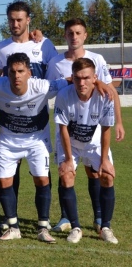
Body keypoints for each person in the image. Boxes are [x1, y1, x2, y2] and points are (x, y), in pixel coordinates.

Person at [46, 18, 125, 233]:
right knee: (66, 172)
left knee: (95, 172)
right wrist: (69, 82)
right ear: (65, 35)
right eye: (70, 33)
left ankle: (99, 217)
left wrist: (118, 121)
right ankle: (66, 218)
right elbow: (50, 91)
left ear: (85, 35)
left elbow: (110, 91)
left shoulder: (96, 59)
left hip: (92, 127)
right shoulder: (55, 63)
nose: (74, 37)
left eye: (78, 33)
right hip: (67, 124)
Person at [0, 52, 71, 243]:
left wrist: (99, 84)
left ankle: (42, 227)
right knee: (5, 181)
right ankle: (13, 227)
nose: (16, 76)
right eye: (12, 72)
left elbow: (70, 80)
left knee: (41, 180)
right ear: (6, 73)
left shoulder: (43, 86)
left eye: (21, 71)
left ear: (29, 73)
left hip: (36, 141)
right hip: (8, 141)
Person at [0, 0, 58, 227]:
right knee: (10, 170)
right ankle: (11, 217)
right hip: (11, 120)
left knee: (40, 172)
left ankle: (44, 220)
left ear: (29, 20)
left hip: (37, 117)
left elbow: (56, 72)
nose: (15, 24)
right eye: (11, 19)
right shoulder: (1, 48)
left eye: (20, 19)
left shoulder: (45, 44)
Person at [53, 58, 118, 244]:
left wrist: (104, 159)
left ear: (94, 78)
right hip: (70, 144)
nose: (82, 83)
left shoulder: (105, 96)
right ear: (72, 77)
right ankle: (75, 227)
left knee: (107, 175)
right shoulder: (64, 95)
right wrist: (66, 159)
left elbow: (106, 129)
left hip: (94, 143)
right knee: (66, 176)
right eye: (77, 78)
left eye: (86, 78)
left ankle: (105, 227)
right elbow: (63, 129)